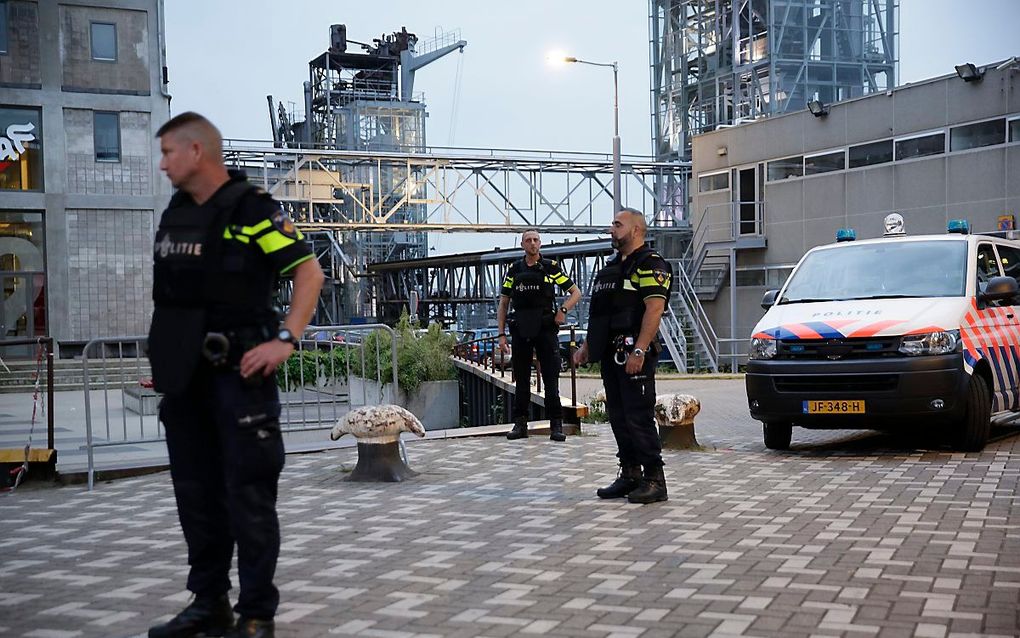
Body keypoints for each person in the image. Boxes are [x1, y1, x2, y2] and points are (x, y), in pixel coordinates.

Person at [146, 112, 324, 638]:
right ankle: (209, 603)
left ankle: (256, 615)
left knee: (248, 497)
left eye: (168, 153)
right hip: (186, 382)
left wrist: (285, 340)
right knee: (195, 497)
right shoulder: (178, 212)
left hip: (238, 378)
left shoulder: (254, 212)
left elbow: (308, 272)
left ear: (197, 151)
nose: (162, 165)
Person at [573, 208, 672, 504]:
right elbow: (600, 314)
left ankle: (655, 479)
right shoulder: (610, 269)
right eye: (612, 223)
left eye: (617, 224)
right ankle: (630, 474)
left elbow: (654, 311)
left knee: (638, 416)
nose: (611, 228)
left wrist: (639, 350)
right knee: (618, 416)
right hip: (610, 354)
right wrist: (587, 347)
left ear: (637, 230)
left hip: (634, 352)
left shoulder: (651, 264)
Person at [497, 229, 581, 441]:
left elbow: (575, 292)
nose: (532, 243)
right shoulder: (514, 270)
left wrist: (562, 311)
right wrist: (501, 335)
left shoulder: (551, 268)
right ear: (522, 244)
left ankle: (557, 426)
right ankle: (520, 425)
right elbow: (504, 302)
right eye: (528, 240)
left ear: (540, 244)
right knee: (522, 379)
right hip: (521, 329)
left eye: (535, 240)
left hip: (545, 328)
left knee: (551, 378)